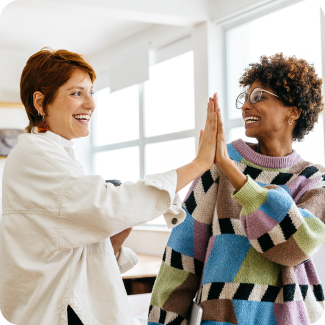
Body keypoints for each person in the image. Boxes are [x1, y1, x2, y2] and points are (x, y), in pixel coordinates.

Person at [0, 48, 219, 325]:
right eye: (76, 93)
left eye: (91, 92)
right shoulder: (35, 155)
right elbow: (106, 206)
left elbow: (66, 244)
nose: (91, 104)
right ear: (41, 102)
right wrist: (199, 164)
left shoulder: (57, 155)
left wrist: (112, 242)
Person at [149, 53, 325, 325]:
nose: (245, 106)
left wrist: (231, 170)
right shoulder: (220, 162)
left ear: (293, 110)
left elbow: (295, 247)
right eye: (244, 98)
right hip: (221, 318)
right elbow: (183, 250)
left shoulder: (314, 179)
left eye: (258, 97)